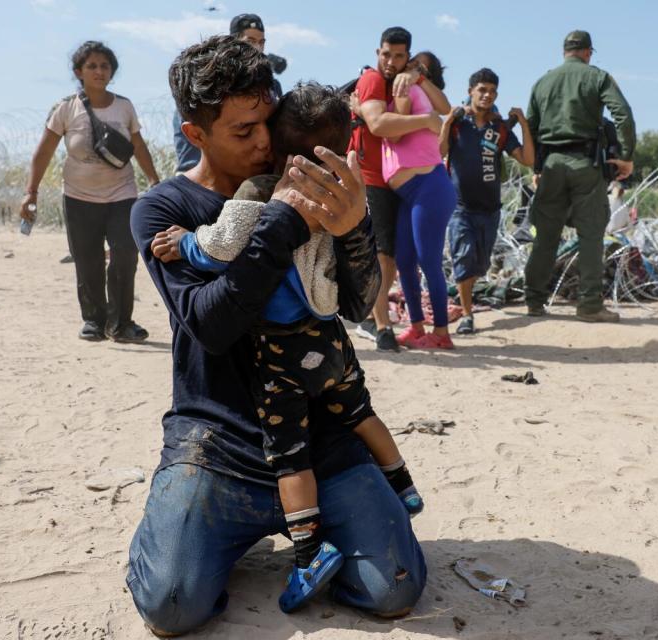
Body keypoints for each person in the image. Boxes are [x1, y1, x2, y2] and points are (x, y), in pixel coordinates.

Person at [127, 36, 425, 637]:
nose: (266, 143)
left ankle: (319, 532)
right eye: (243, 132)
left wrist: (352, 229)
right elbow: (211, 324)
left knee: (394, 589)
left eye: (268, 121)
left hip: (321, 438)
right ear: (195, 132)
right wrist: (285, 221)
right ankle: (208, 538)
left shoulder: (312, 183)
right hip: (219, 442)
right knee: (171, 604)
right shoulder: (164, 211)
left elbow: (358, 306)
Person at [21, 40, 159, 342]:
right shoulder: (65, 109)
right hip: (78, 197)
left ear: (112, 72)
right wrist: (31, 191)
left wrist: (154, 181)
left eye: (105, 66)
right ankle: (95, 321)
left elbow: (138, 146)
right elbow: (43, 152)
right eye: (92, 66)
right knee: (88, 260)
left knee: (125, 255)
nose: (99, 71)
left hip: (122, 194)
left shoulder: (124, 106)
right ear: (79, 72)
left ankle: (122, 322)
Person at [349, 27, 450, 351]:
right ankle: (400, 327)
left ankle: (437, 331)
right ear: (378, 52)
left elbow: (444, 109)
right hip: (392, 186)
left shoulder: (407, 85)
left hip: (421, 185)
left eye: (400, 57)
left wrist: (420, 89)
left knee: (415, 260)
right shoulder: (382, 83)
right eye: (386, 54)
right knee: (396, 259)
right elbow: (383, 128)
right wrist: (426, 121)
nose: (392, 61)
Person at [523, 30, 635, 322]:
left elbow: (530, 127)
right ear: (588, 52)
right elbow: (622, 114)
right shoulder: (597, 77)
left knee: (545, 236)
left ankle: (534, 300)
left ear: (564, 52)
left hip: (551, 164)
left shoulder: (542, 82)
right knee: (591, 235)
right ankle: (589, 305)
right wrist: (625, 156)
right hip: (585, 164)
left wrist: (536, 168)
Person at [440, 67, 534, 335]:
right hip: (460, 207)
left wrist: (524, 123)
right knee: (463, 257)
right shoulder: (458, 123)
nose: (487, 95)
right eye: (482, 89)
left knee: (480, 264)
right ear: (471, 91)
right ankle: (467, 314)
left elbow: (528, 159)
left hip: (490, 209)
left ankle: (467, 296)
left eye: (492, 91)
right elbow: (439, 152)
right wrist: (447, 121)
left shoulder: (500, 128)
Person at [171, 13, 283, 173]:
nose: (257, 48)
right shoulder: (206, 83)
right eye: (250, 41)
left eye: (261, 42)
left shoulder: (272, 85)